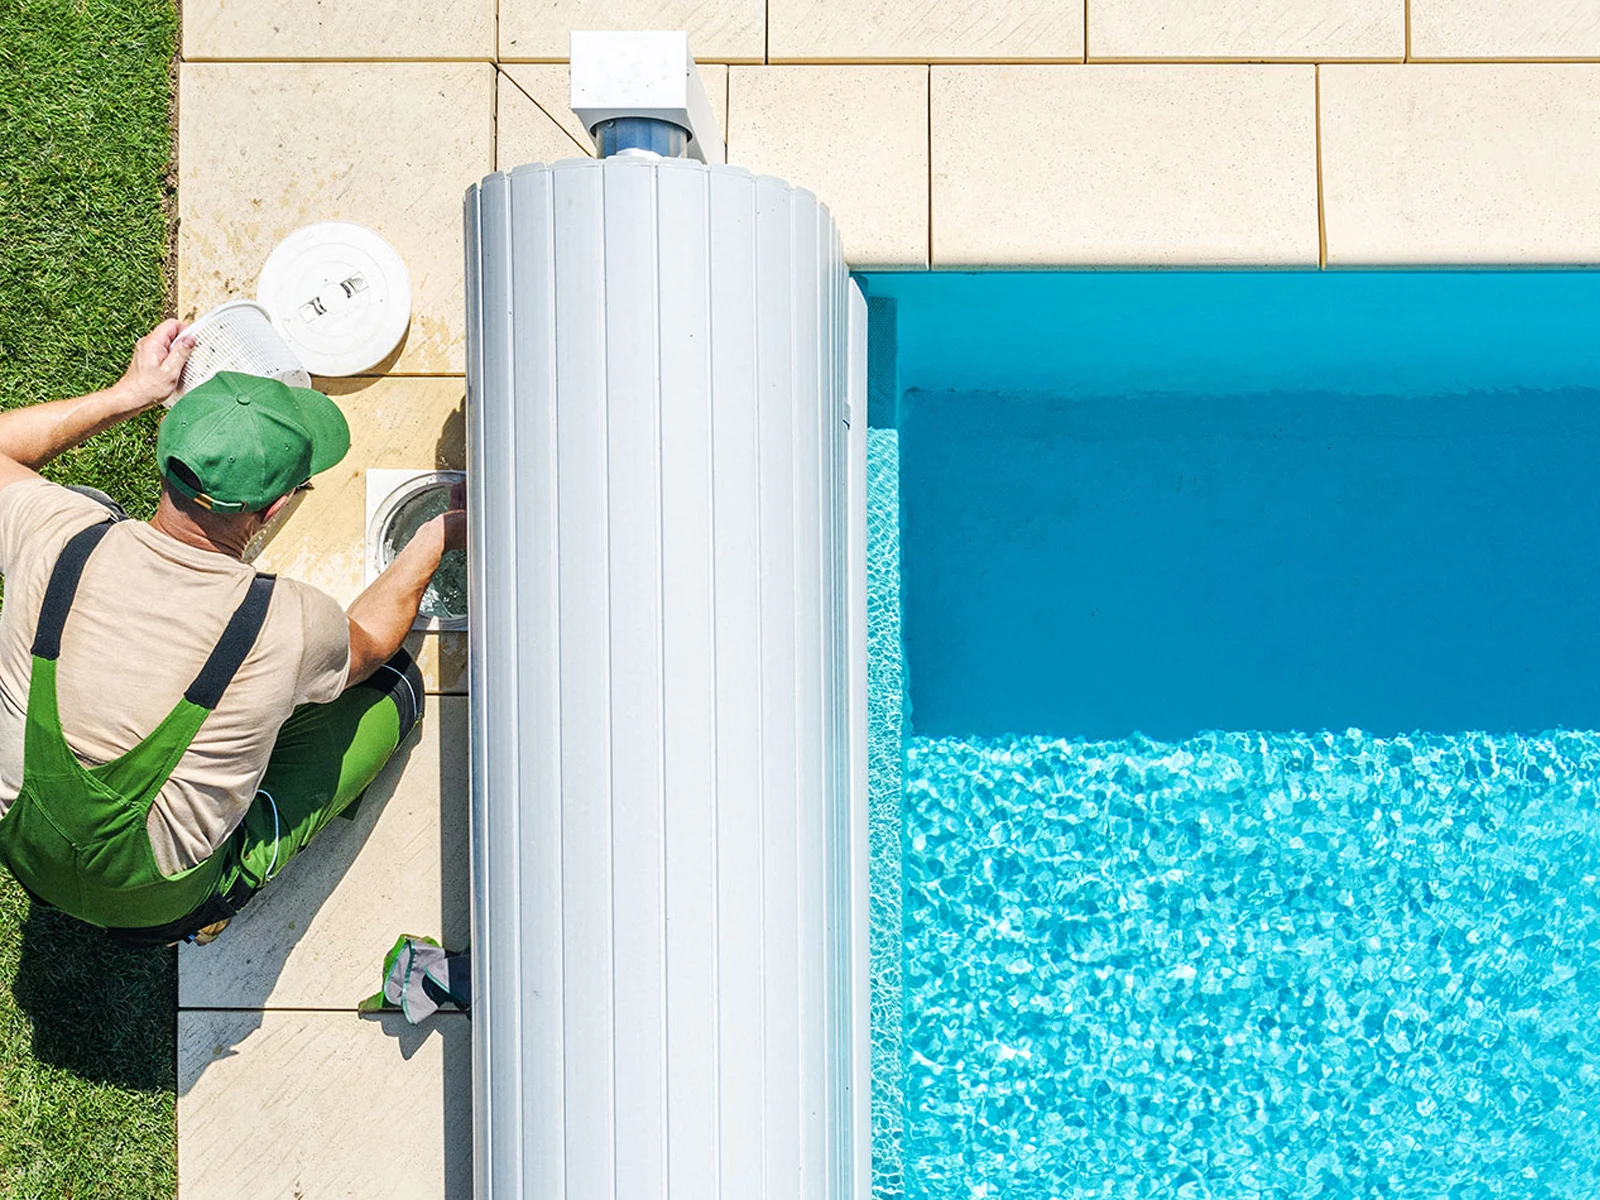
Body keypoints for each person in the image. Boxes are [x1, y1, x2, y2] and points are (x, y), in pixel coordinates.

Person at [0, 320, 463, 947]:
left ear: (167, 458)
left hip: (23, 846)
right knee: (391, 687)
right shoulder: (286, 622)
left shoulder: (59, 536)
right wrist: (432, 538)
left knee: (81, 500)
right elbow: (373, 643)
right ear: (274, 510)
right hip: (157, 901)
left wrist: (127, 393)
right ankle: (206, 907)